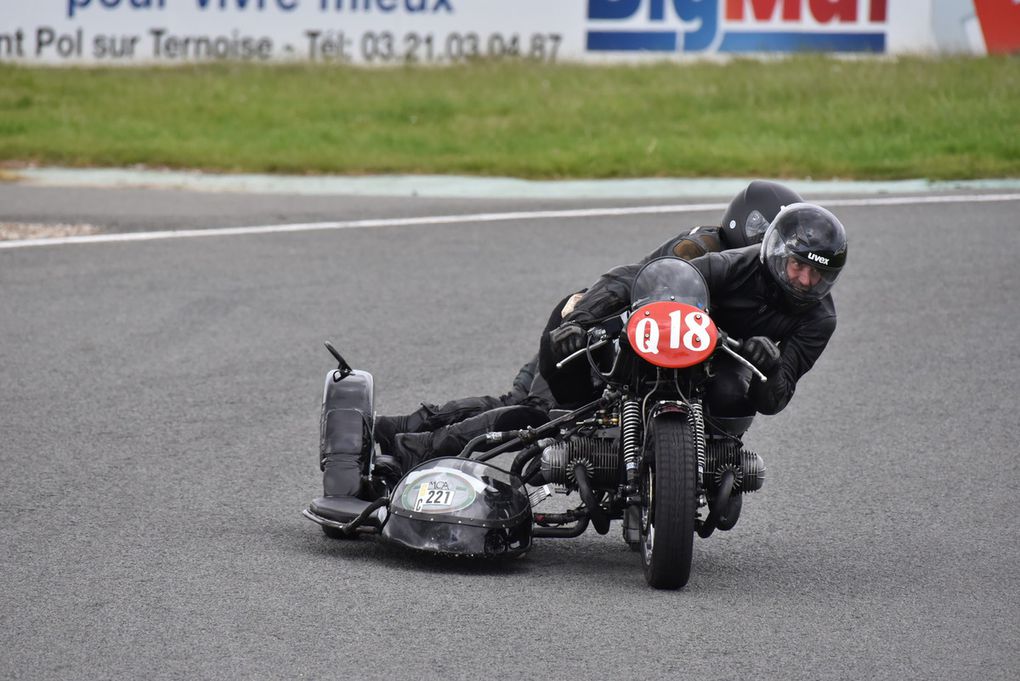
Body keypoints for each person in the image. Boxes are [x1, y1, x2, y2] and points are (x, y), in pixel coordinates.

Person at [373, 180, 805, 474]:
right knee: (537, 417)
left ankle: (397, 429)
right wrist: (579, 325)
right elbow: (628, 284)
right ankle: (408, 444)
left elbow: (773, 391)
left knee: (520, 403)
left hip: (655, 369)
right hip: (597, 344)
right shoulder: (697, 250)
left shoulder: (791, 296)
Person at [542, 201, 848, 431]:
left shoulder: (819, 319)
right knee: (574, 338)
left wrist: (769, 365)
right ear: (779, 254)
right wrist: (580, 321)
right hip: (675, 335)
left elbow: (774, 400)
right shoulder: (732, 264)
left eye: (818, 272)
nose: (807, 281)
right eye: (799, 266)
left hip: (727, 358)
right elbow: (631, 279)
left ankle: (717, 461)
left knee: (730, 394)